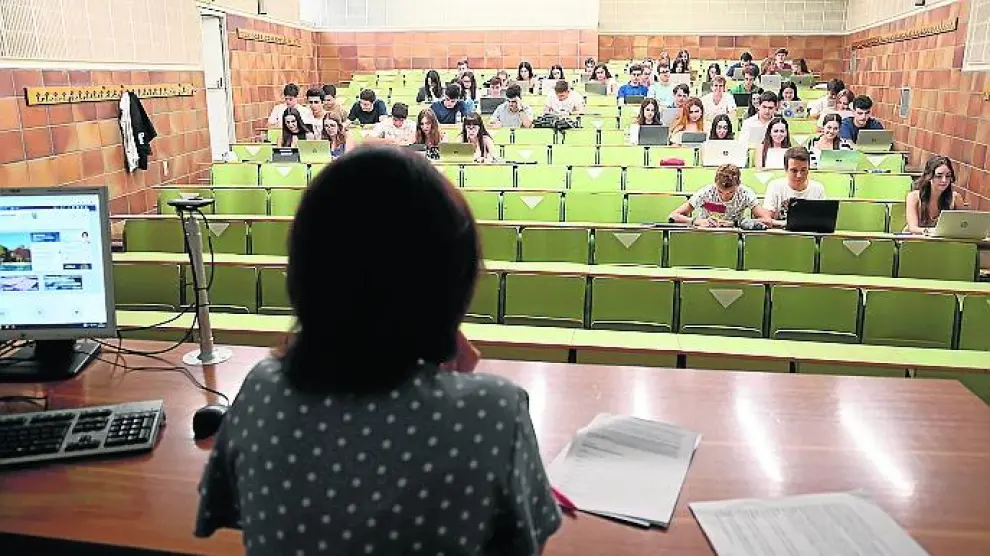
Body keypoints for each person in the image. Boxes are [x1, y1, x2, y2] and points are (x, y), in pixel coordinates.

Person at [194, 146, 562, 554]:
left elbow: (230, 508)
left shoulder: (261, 391)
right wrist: (455, 393)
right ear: (451, 283)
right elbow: (525, 545)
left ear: (303, 274)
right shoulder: (494, 413)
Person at [669, 164, 770, 227]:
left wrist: (735, 223)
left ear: (738, 185)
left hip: (733, 236)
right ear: (715, 184)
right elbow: (674, 216)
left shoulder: (745, 193)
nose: (725, 196)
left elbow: (766, 220)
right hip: (706, 235)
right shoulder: (706, 192)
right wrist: (696, 221)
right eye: (720, 192)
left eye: (730, 192)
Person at [761, 146, 825, 227]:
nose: (799, 175)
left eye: (803, 170)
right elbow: (766, 219)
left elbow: (822, 221)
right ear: (786, 169)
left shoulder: (818, 188)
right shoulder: (775, 186)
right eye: (794, 171)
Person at [905, 155, 964, 234]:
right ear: (929, 176)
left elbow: (963, 226)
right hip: (916, 240)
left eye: (948, 176)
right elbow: (913, 228)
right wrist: (931, 231)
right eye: (939, 176)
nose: (944, 180)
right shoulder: (914, 197)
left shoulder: (956, 198)